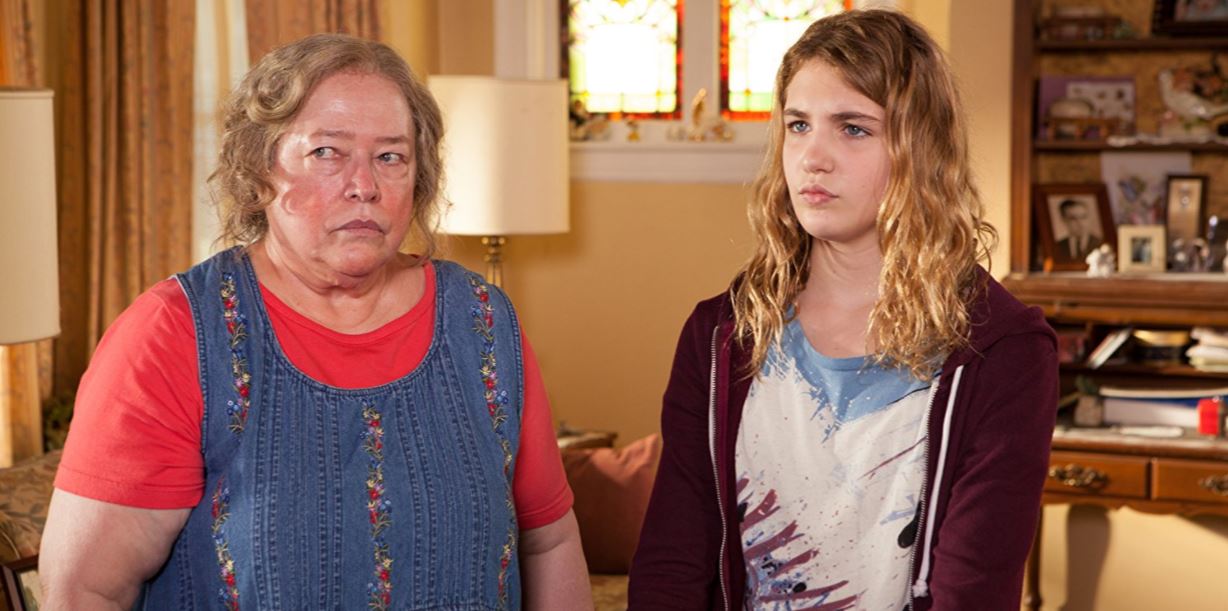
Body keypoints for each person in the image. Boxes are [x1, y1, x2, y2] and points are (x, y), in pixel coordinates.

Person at [39, 34, 593, 610]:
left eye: (391, 157)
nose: (364, 186)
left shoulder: (482, 319)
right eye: (327, 152)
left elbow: (549, 541)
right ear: (259, 169)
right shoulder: (173, 332)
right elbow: (85, 590)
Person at [629, 9, 1057, 611]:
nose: (813, 157)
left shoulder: (1000, 351)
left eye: (853, 128)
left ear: (920, 148)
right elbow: (672, 560)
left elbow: (974, 588)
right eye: (798, 125)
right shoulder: (724, 335)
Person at [1054, 198, 1103, 264]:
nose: (1080, 223)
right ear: (1064, 220)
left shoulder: (1100, 244)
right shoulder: (1057, 247)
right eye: (1073, 218)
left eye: (1083, 217)